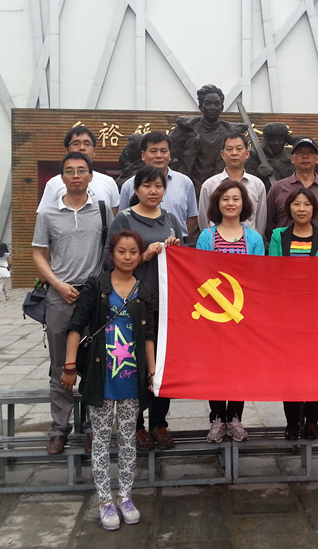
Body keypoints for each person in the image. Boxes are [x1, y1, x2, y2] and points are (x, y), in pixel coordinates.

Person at [61, 230, 156, 531]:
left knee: (128, 441)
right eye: (121, 251)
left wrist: (152, 372)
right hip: (101, 376)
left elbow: (149, 334)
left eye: (133, 252)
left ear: (140, 255)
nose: (127, 257)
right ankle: (105, 500)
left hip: (131, 379)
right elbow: (77, 324)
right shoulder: (96, 285)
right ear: (111, 254)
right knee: (101, 441)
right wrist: (69, 365)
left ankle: (125, 496)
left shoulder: (145, 289)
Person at [32, 151, 114, 455]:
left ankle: (94, 426)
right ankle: (59, 428)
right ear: (61, 178)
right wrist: (56, 284)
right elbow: (38, 253)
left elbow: (113, 250)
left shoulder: (103, 211)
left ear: (90, 177)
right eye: (69, 171)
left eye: (81, 170)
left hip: (94, 297)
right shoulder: (47, 214)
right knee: (60, 365)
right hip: (60, 294)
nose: (76, 175)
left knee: (95, 363)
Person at [109, 166, 182, 451]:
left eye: (158, 186)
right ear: (136, 189)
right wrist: (144, 255)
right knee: (135, 363)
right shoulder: (124, 219)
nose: (153, 191)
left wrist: (174, 248)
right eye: (147, 186)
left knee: (163, 365)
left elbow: (182, 259)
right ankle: (136, 424)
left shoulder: (170, 219)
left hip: (165, 302)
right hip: (132, 301)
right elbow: (109, 260)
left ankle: (160, 423)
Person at [197, 179, 265, 442]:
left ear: (243, 203)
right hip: (214, 314)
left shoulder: (254, 238)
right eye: (225, 199)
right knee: (215, 367)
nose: (230, 203)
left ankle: (235, 418)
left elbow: (258, 276)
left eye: (236, 199)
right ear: (217, 203)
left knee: (240, 367)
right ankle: (217, 418)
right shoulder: (207, 236)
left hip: (242, 314)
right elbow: (200, 273)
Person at [268, 187, 318, 440]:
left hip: (317, 313)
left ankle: (312, 420)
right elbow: (274, 270)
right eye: (296, 204)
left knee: (314, 367)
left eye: (306, 204)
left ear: (314, 209)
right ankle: (291, 421)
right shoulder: (278, 235)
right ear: (289, 208)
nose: (301, 209)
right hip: (286, 313)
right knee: (289, 368)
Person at [119, 131, 199, 242]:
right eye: (153, 151)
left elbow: (192, 217)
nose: (159, 156)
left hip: (176, 245)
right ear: (143, 155)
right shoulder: (129, 185)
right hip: (141, 246)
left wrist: (181, 239)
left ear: (169, 155)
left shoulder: (185, 182)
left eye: (163, 151)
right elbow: (123, 219)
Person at [169, 84, 248, 191]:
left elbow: (242, 159)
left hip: (221, 187)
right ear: (201, 106)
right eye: (208, 103)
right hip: (189, 186)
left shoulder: (230, 132)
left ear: (221, 108)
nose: (212, 107)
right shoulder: (186, 129)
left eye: (216, 104)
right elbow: (169, 155)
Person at [265, 137, 318, 240]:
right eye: (300, 152)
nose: (305, 156)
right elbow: (269, 225)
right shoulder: (278, 188)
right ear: (292, 158)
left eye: (310, 152)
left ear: (317, 158)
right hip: (285, 248)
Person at [37, 125, 120, 216]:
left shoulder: (108, 182)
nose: (82, 148)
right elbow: (44, 217)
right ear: (67, 150)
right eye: (76, 144)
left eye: (87, 144)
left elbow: (113, 220)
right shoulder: (54, 183)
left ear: (94, 151)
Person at [198, 132, 267, 236]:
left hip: (249, 243)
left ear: (247, 154)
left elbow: (261, 221)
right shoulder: (209, 185)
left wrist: (254, 239)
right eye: (229, 149)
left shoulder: (257, 185)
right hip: (216, 243)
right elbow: (204, 220)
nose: (234, 153)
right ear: (223, 154)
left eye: (239, 149)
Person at [250, 122, 295, 191]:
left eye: (280, 139)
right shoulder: (254, 155)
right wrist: (258, 175)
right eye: (272, 140)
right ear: (266, 140)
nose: (276, 143)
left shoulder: (293, 155)